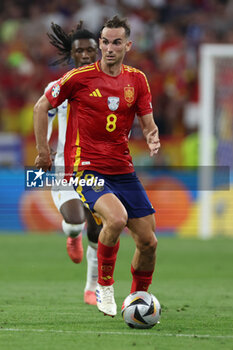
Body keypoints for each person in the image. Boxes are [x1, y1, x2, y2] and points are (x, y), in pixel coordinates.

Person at [33, 15, 160, 317]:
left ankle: (139, 297)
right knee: (114, 220)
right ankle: (102, 286)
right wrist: (43, 153)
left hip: (124, 171)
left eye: (116, 42)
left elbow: (147, 121)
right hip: (86, 168)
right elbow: (41, 106)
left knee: (149, 241)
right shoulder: (79, 79)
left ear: (128, 45)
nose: (109, 47)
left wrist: (152, 136)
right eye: (105, 41)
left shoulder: (137, 80)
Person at [45, 22, 101, 305]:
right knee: (76, 219)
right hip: (65, 168)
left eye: (92, 50)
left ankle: (91, 288)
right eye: (81, 51)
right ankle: (71, 234)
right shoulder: (60, 87)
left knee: (98, 229)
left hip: (99, 167)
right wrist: (43, 147)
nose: (87, 55)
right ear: (72, 54)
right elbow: (43, 112)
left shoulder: (111, 86)